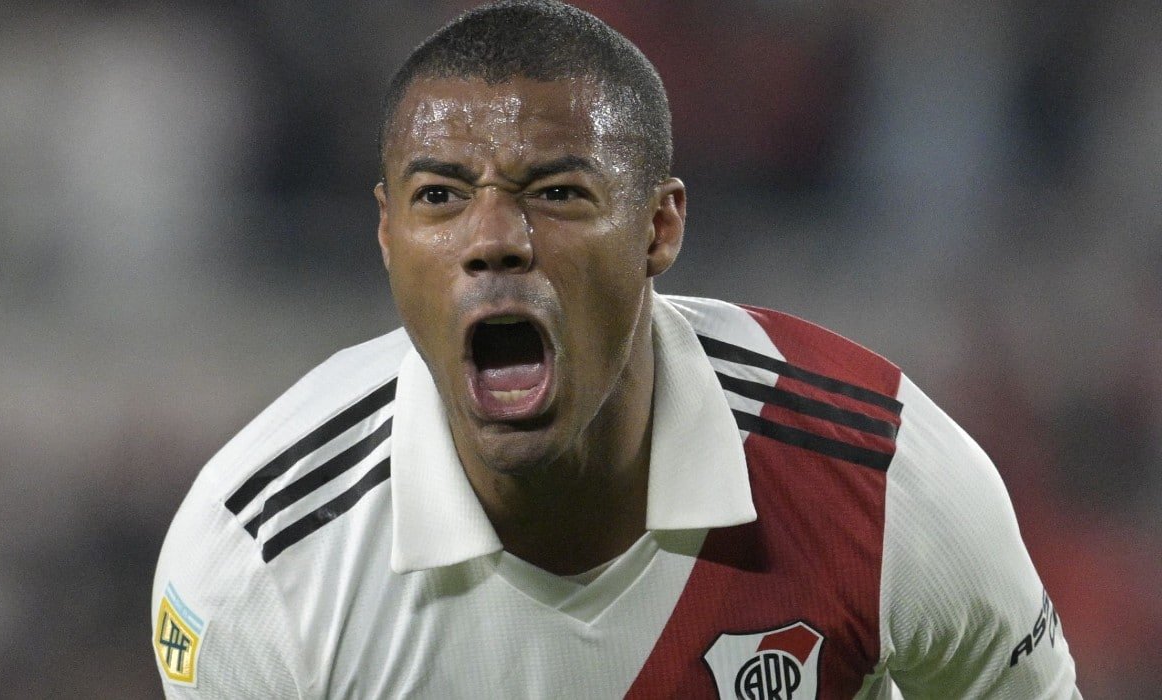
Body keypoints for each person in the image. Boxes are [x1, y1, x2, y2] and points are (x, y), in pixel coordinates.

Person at [152, 1, 1080, 697]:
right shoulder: (258, 563)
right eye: (439, 196)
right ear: (387, 236)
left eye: (556, 192)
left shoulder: (881, 482)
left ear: (659, 228)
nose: (495, 238)